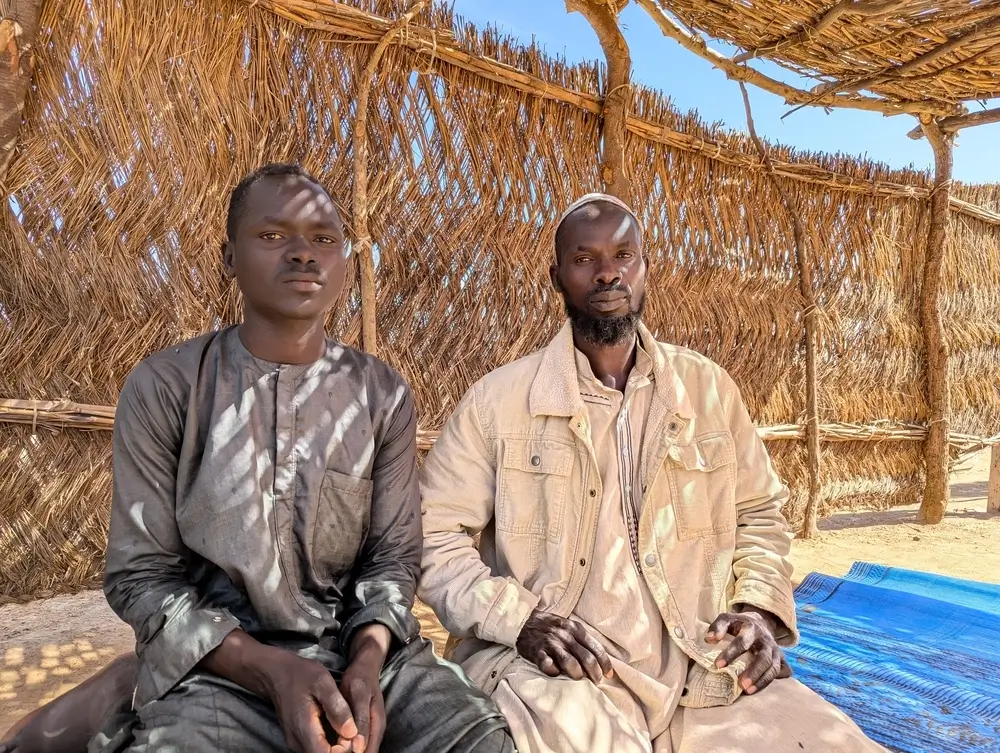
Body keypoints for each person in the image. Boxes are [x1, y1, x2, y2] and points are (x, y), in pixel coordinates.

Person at [0, 163, 513, 753]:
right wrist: (270, 671)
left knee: (477, 737)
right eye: (273, 236)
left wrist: (367, 666)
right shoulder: (168, 387)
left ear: (345, 259)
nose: (303, 255)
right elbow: (143, 577)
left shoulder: (381, 395)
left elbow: (392, 559)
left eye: (324, 239)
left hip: (364, 656)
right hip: (219, 663)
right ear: (229, 255)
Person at [417, 193, 887, 753]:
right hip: (562, 672)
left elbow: (759, 514)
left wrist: (756, 609)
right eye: (584, 258)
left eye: (624, 254)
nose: (607, 272)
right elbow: (431, 535)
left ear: (644, 269)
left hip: (703, 667)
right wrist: (518, 619)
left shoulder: (707, 390)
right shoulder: (498, 401)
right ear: (557, 277)